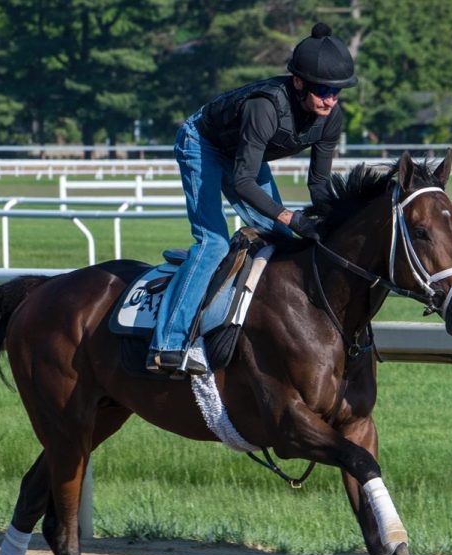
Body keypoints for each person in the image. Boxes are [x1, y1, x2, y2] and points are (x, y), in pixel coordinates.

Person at [148, 22, 357, 376]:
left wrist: (331, 222)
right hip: (202, 143)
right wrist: (291, 216)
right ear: (299, 83)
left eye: (337, 92)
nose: (330, 99)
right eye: (323, 90)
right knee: (212, 243)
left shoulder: (331, 118)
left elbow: (319, 184)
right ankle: (167, 343)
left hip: (243, 153)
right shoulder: (265, 107)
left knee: (281, 239)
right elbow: (244, 183)